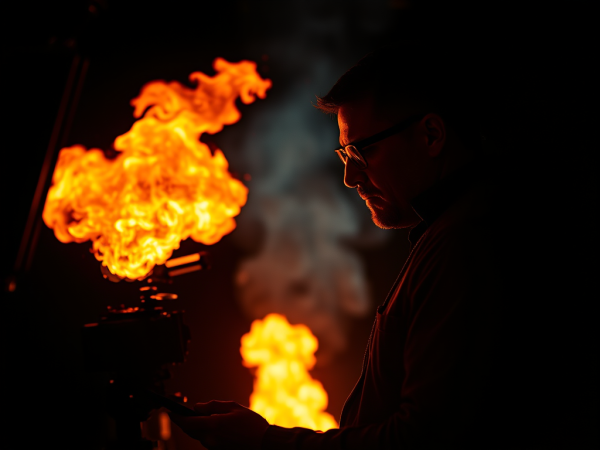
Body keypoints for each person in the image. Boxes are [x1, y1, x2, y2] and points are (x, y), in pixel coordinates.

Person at [170, 44, 595, 449]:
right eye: (344, 155)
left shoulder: (466, 243)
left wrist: (267, 443)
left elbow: (419, 443)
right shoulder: (458, 229)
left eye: (362, 151)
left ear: (431, 135)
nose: (351, 177)